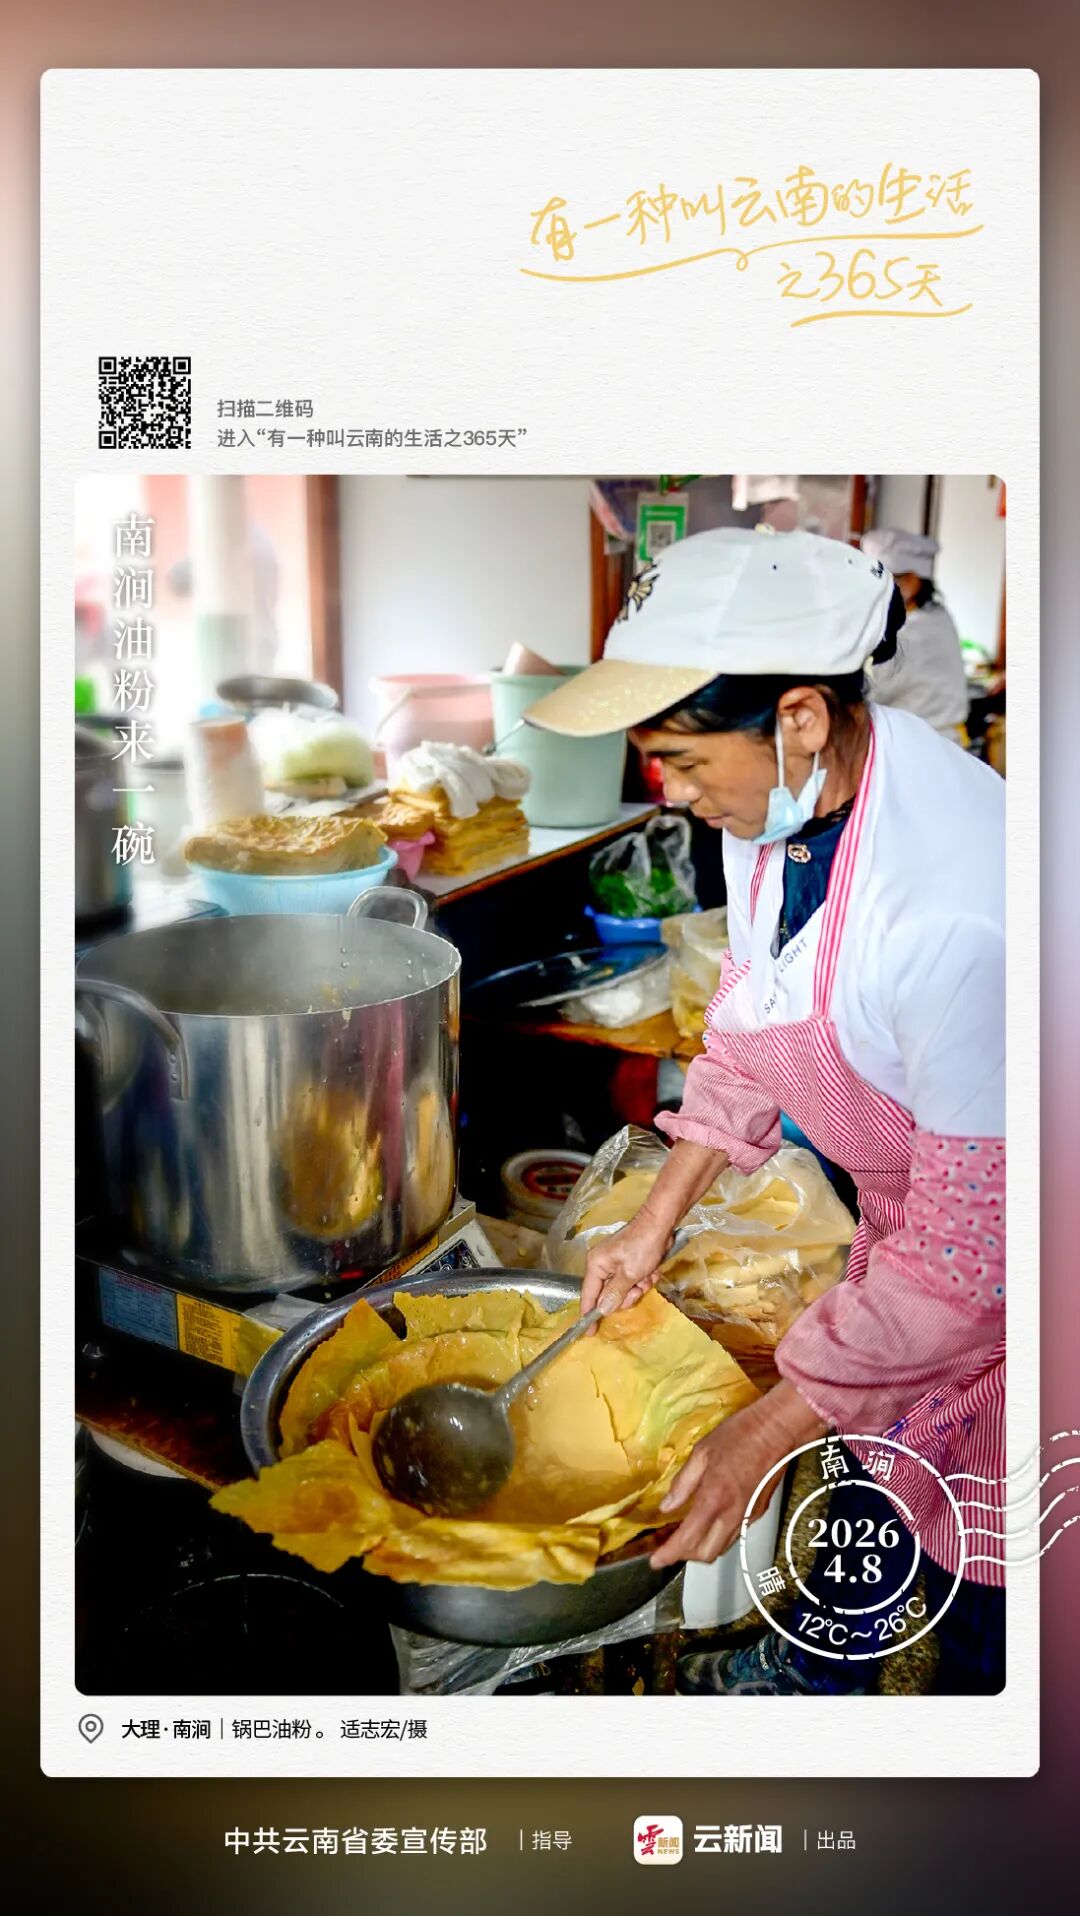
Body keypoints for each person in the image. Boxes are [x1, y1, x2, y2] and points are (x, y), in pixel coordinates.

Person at [526, 527, 1005, 1695]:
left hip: (1020, 1265)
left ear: (797, 716)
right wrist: (654, 1220)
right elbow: (751, 1019)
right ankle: (821, 1664)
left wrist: (764, 1428)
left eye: (683, 760)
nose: (671, 794)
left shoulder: (953, 911)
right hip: (917, 1224)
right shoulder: (783, 809)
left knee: (994, 1538)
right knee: (878, 1449)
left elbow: (970, 1257)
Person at [860, 526, 970, 743]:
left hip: (926, 742)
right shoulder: (934, 614)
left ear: (912, 580)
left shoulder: (916, 632)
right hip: (925, 738)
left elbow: (870, 687)